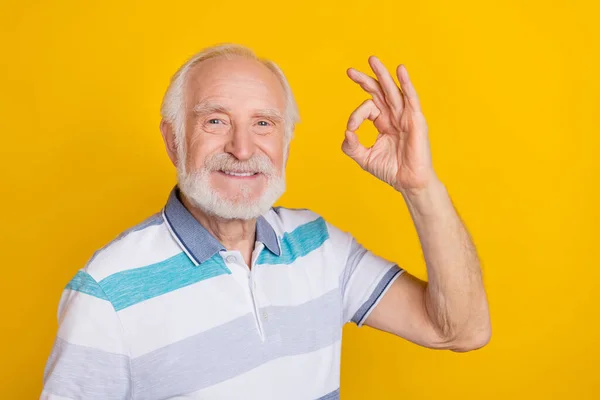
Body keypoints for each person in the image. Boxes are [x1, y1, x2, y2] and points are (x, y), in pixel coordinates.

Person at [41, 44, 491, 400]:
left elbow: (460, 330)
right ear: (173, 139)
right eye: (216, 120)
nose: (242, 148)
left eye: (263, 123)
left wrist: (419, 185)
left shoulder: (320, 247)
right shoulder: (106, 293)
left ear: (286, 143)